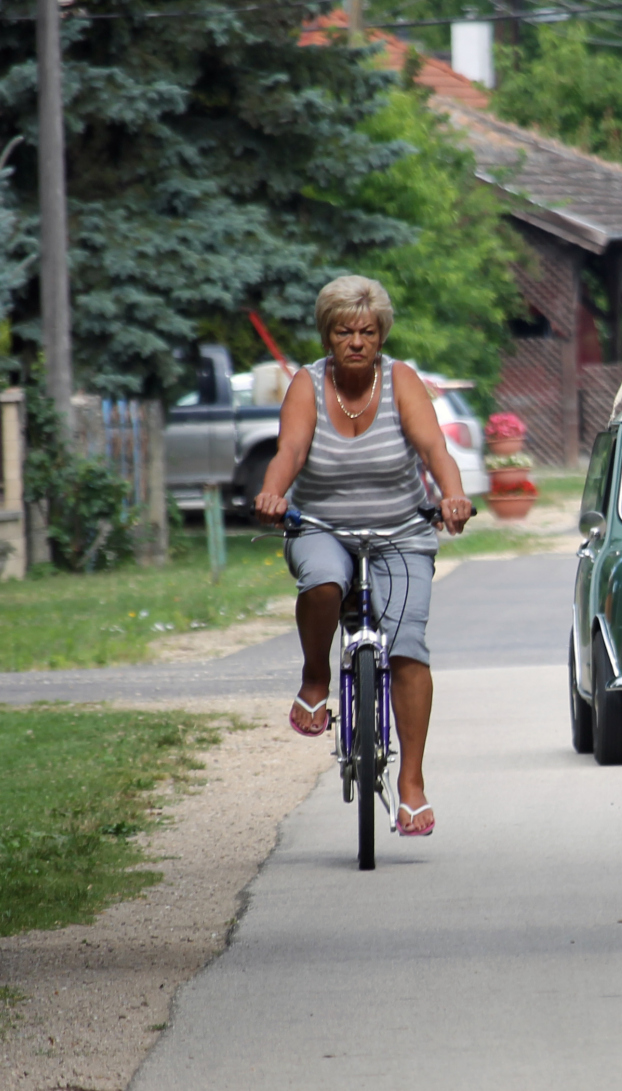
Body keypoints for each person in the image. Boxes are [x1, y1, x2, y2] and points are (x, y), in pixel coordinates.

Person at [253, 276, 474, 837]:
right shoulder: (307, 384)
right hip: (321, 527)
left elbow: (435, 448)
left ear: (382, 336)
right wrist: (273, 493)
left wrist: (453, 496)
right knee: (324, 582)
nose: (356, 341)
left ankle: (411, 785)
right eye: (344, 331)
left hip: (400, 530)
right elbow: (290, 450)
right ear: (327, 336)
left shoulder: (401, 381)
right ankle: (315, 679)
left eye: (368, 332)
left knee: (407, 644)